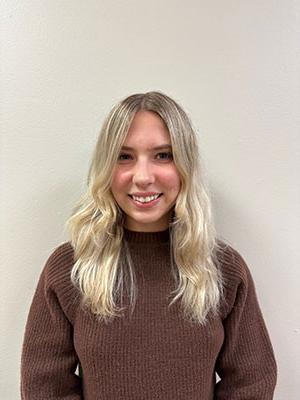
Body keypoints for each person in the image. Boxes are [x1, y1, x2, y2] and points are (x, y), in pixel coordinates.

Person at [20, 91, 277, 399]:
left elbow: (251, 381)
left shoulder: (222, 268)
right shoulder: (70, 267)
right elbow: (44, 386)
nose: (142, 177)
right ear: (106, 167)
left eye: (163, 155)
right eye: (124, 157)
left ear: (185, 166)